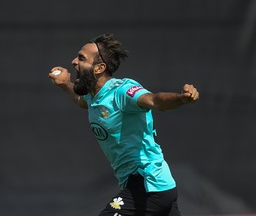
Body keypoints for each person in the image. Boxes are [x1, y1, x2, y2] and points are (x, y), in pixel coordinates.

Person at [48, 34, 199, 216]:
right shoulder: (94, 96)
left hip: (148, 185)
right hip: (152, 186)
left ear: (99, 68)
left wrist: (181, 98)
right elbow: (81, 101)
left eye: (81, 58)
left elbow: (155, 100)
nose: (73, 62)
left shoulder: (122, 90)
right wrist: (65, 84)